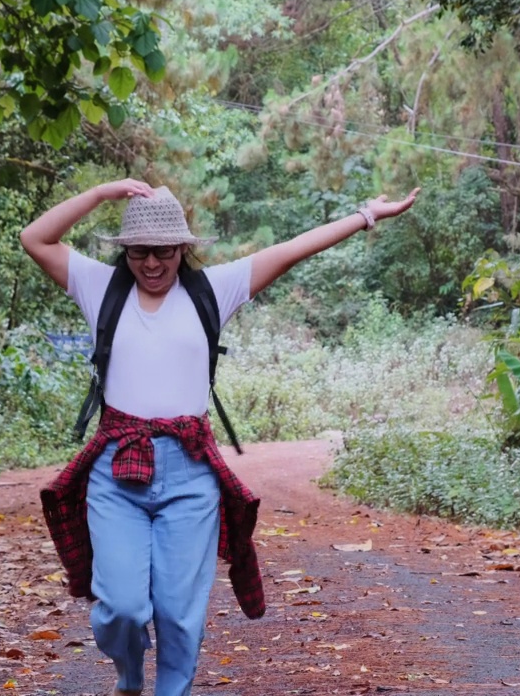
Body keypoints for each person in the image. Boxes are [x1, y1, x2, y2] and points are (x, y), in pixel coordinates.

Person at [21, 180, 419, 696]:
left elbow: (292, 249)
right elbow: (35, 238)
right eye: (139, 252)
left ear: (183, 248)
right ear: (126, 252)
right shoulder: (100, 287)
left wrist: (367, 214)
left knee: (179, 616)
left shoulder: (213, 290)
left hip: (190, 473)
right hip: (117, 467)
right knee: (121, 606)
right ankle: (128, 673)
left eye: (164, 251)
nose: (152, 264)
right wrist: (103, 192)